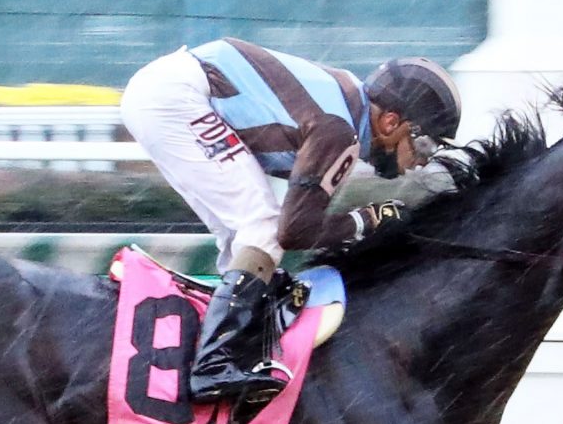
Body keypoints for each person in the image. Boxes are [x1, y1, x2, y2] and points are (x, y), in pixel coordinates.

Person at [119, 37, 462, 403]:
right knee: (262, 228)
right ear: (391, 122)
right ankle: (212, 363)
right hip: (176, 95)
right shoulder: (339, 130)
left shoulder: (347, 115)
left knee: (245, 238)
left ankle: (226, 344)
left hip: (168, 90)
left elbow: (298, 222)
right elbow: (295, 230)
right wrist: (369, 219)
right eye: (423, 145)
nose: (421, 162)